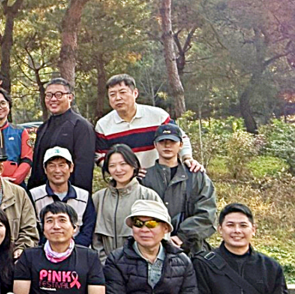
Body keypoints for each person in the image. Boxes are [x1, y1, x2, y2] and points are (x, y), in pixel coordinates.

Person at [140, 124, 216, 255]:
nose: (167, 146)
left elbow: (208, 214)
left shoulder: (197, 176)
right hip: (152, 251)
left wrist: (182, 237)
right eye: (162, 142)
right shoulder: (144, 178)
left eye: (172, 141)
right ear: (155, 145)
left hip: (192, 250)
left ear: (181, 145)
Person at [94, 74, 193, 169]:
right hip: (126, 182)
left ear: (135, 93)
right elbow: (100, 156)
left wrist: (187, 158)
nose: (118, 98)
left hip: (160, 177)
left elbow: (181, 138)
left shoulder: (158, 116)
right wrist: (123, 171)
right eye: (112, 94)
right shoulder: (103, 125)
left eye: (122, 92)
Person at [91, 144, 162, 263]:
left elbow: (162, 233)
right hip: (106, 268)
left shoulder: (148, 196)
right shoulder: (98, 198)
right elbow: (94, 239)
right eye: (112, 166)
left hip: (140, 268)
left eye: (123, 164)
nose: (118, 170)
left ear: (134, 165)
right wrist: (105, 264)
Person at [28, 78, 95, 191]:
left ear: (70, 97)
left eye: (59, 95)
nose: (53, 99)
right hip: (42, 196)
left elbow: (84, 170)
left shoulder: (81, 126)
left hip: (70, 197)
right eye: (49, 95)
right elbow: (37, 168)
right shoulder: (43, 128)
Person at [29, 146, 96, 247]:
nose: (57, 170)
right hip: (44, 253)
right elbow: (33, 230)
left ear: (71, 167)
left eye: (62, 165)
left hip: (78, 252)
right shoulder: (34, 195)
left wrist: (68, 249)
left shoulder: (84, 196)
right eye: (52, 165)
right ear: (45, 169)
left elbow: (87, 231)